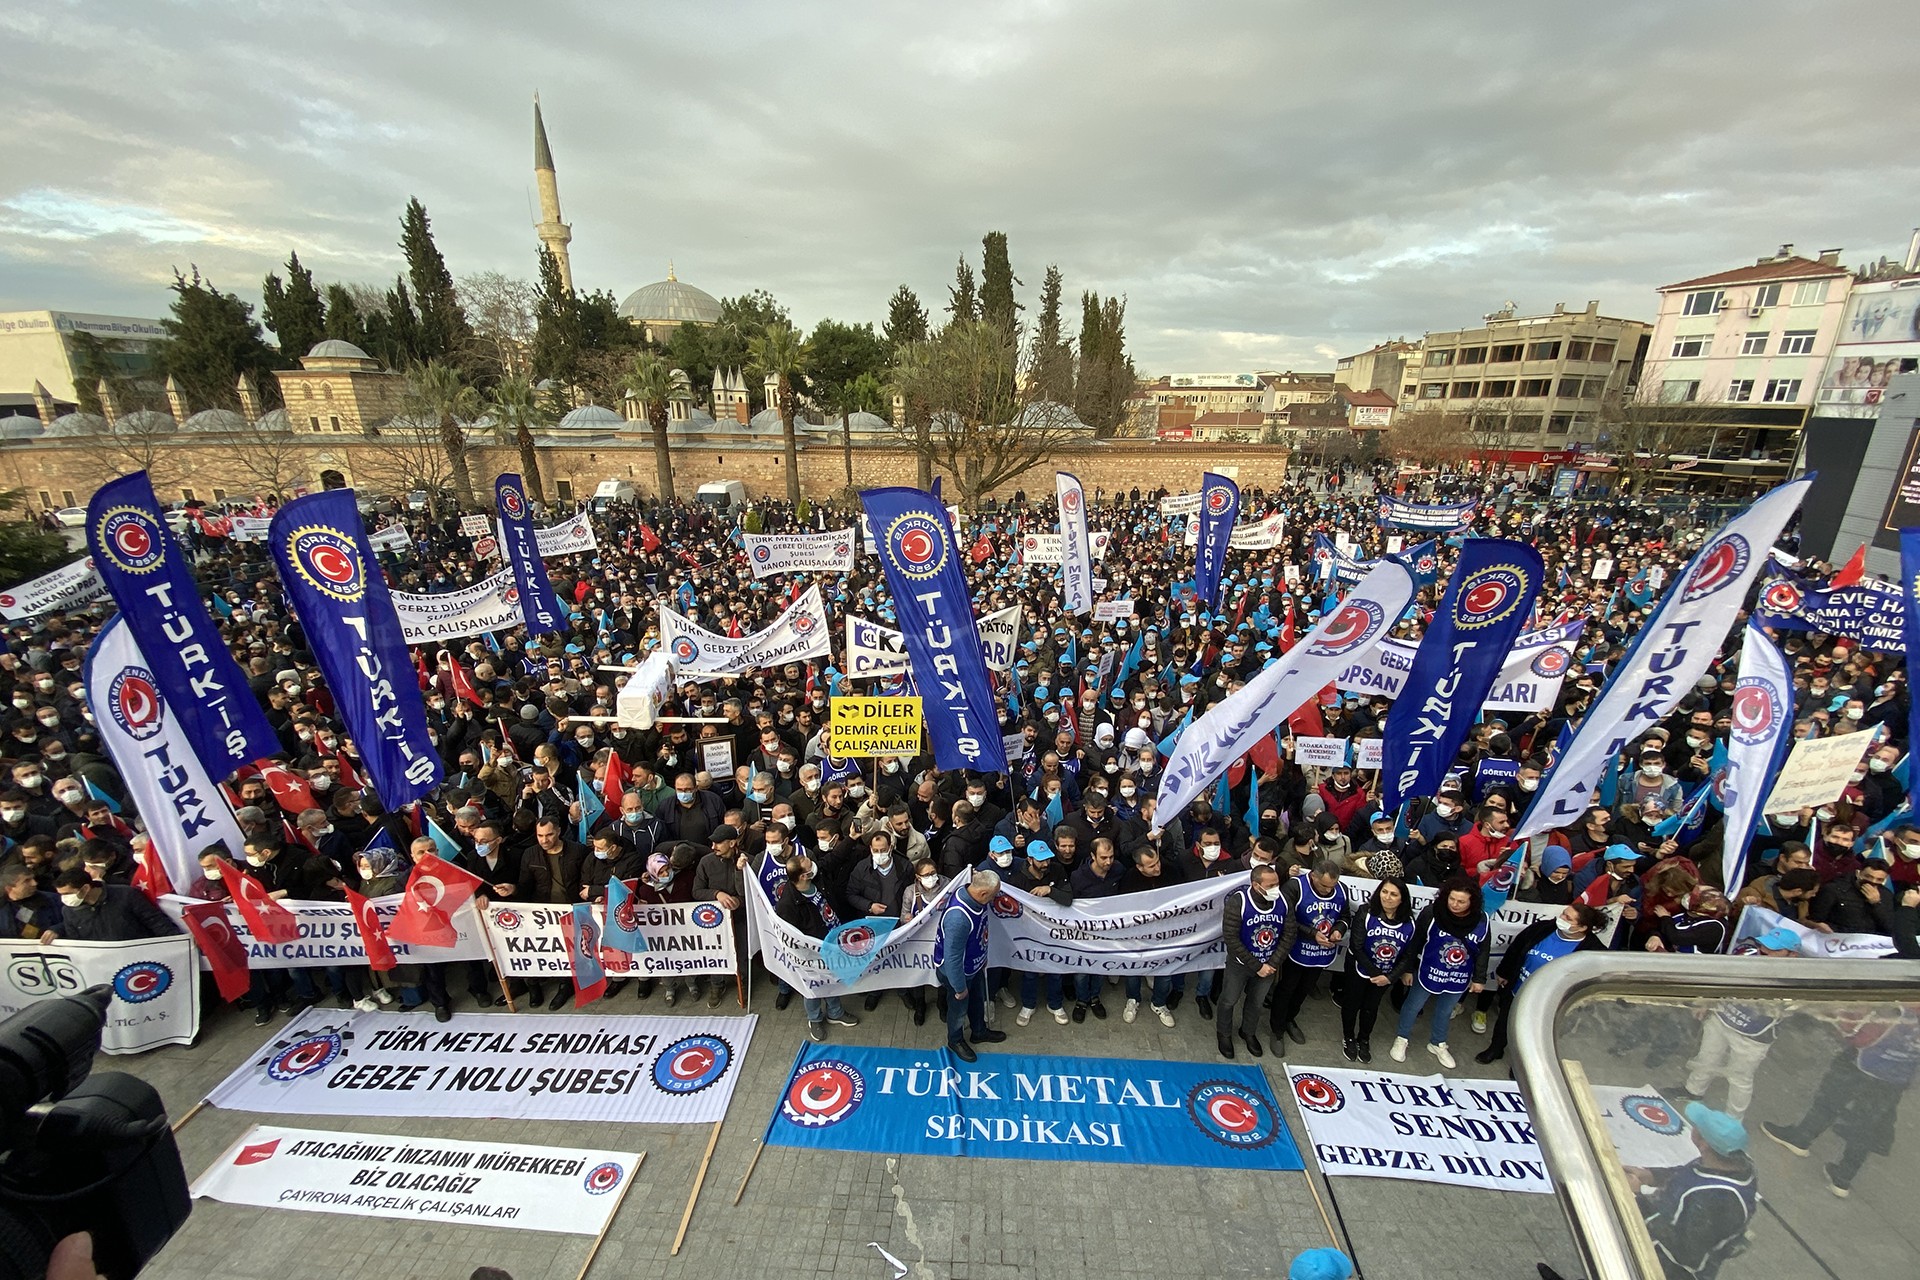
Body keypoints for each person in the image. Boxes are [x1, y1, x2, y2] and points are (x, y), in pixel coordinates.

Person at [1762, 1005, 1920, 1198]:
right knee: (1866, 1126)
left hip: (1864, 1062)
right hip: (1897, 1076)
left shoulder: (1902, 1002)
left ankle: (1802, 1137)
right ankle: (1844, 1176)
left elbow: (1861, 1030)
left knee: (1830, 1100)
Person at [1626, 1104, 1758, 1280]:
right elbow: (1688, 1173)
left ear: (1703, 1143)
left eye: (1697, 1125)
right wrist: (1650, 1176)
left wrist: (1637, 1199)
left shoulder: (1718, 1199)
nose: (1693, 1125)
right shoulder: (1727, 1160)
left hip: (1668, 1270)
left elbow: (1686, 1253)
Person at [1680, 928, 1800, 1117]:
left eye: (1774, 950)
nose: (1765, 952)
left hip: (1753, 1036)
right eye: (1764, 946)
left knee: (1739, 1079)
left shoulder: (1796, 980)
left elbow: (1787, 1010)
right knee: (1706, 1059)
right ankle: (1692, 1091)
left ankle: (1733, 1121)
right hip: (1722, 1018)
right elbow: (1725, 981)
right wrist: (1708, 1002)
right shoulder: (1749, 958)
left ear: (1793, 954)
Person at [1476, 902, 1607, 1063]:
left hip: (1547, 1001)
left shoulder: (1591, 951)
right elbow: (1517, 947)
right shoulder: (1543, 928)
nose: (1562, 918)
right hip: (1519, 989)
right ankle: (1495, 1049)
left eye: (1568, 918)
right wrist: (1504, 971)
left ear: (1582, 928)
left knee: (1533, 1033)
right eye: (1563, 913)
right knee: (1505, 1022)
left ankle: (1521, 1063)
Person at [1389, 875, 1489, 1067]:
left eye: (1461, 901)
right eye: (1452, 899)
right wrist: (1408, 969)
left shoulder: (1481, 920)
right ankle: (1402, 1038)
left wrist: (1479, 978)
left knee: (1445, 1010)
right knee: (1413, 1005)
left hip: (1459, 975)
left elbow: (1484, 949)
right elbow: (1415, 942)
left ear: (1472, 902)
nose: (1455, 904)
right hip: (1428, 971)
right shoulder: (1431, 913)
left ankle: (1437, 1043)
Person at [774, 854, 861, 1043]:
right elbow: (791, 936)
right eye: (809, 866)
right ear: (803, 876)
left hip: (832, 943)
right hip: (811, 954)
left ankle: (835, 1012)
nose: (815, 866)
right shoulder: (788, 904)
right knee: (813, 986)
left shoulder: (816, 882)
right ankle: (815, 1018)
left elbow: (829, 861)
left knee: (833, 978)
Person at [1269, 857, 1351, 1046]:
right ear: (1313, 876)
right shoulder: (1294, 887)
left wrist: (1339, 929)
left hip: (1322, 952)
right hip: (1296, 949)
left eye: (1332, 885)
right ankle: (1277, 1029)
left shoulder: (1342, 890)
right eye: (1324, 886)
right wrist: (1312, 933)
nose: (1328, 890)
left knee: (1304, 988)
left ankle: (1290, 1018)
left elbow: (1345, 916)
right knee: (1287, 988)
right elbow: (1284, 918)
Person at [934, 869, 1007, 1063]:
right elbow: (952, 958)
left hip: (972, 965)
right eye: (992, 896)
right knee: (958, 1008)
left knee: (976, 999)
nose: (994, 900)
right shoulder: (958, 919)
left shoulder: (969, 892)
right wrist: (959, 988)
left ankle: (979, 1031)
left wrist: (981, 958)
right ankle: (955, 1040)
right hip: (957, 973)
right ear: (983, 894)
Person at [1341, 877, 1415, 1063]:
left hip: (1385, 974)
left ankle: (1364, 1039)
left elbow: (1408, 955)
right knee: (1352, 1003)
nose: (1387, 897)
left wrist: (1390, 977)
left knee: (1371, 1008)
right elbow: (1356, 946)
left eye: (1393, 894)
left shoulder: (1409, 923)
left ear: (1402, 898)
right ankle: (1348, 1037)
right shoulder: (1366, 912)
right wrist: (1377, 974)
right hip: (1360, 968)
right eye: (1384, 892)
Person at [1215, 862, 1284, 1059]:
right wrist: (1257, 965)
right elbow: (1231, 938)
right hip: (1240, 963)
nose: (1275, 889)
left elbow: (1289, 933)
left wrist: (1272, 963)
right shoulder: (1239, 902)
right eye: (1271, 885)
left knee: (1256, 1002)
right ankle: (1224, 1033)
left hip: (1269, 964)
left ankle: (1248, 1032)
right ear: (1256, 885)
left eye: (1277, 884)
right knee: (1229, 1000)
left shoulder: (1282, 901)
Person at [40, 868, 179, 943]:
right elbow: (77, 942)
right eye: (61, 894)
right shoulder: (68, 911)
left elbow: (155, 921)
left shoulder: (126, 895)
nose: (64, 898)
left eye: (68, 893)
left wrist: (177, 942)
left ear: (86, 888)